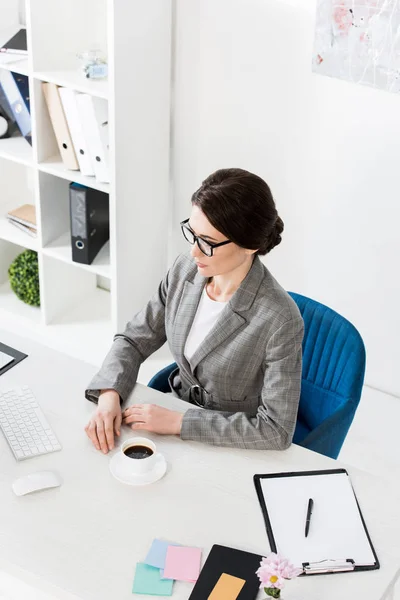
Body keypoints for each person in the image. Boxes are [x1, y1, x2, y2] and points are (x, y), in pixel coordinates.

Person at [84, 168, 304, 453]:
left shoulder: (280, 320)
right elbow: (134, 339)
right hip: (171, 410)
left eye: (208, 243)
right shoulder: (185, 270)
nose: (194, 253)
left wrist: (179, 422)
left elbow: (276, 430)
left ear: (250, 246)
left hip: (230, 440)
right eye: (193, 233)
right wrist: (109, 395)